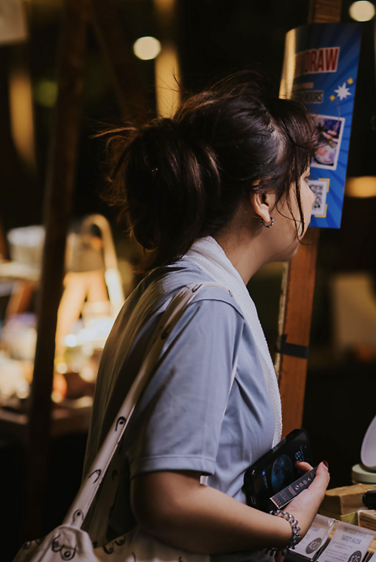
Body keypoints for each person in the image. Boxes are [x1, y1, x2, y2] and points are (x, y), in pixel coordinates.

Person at [83, 71, 329, 559]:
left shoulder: (170, 283)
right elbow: (166, 501)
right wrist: (288, 526)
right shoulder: (208, 304)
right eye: (303, 180)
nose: (312, 197)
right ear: (263, 199)